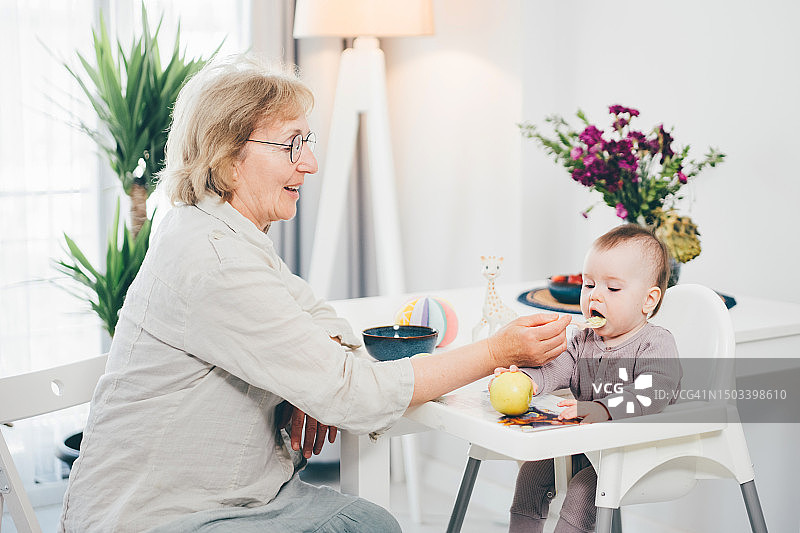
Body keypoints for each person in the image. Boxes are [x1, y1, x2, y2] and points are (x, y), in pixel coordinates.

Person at [58, 54, 573, 533]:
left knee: (371, 522)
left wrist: (306, 384)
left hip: (230, 496)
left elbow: (325, 324)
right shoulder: (215, 260)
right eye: (292, 145)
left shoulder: (219, 233)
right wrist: (497, 352)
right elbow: (356, 395)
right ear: (228, 155)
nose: (310, 164)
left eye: (307, 143)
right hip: (162, 516)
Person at [501, 224, 682, 533]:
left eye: (612, 289)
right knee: (532, 472)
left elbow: (655, 390)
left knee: (585, 490)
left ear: (648, 300)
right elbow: (557, 369)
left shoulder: (656, 343)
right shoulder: (582, 340)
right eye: (588, 285)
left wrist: (604, 408)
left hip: (636, 452)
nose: (595, 296)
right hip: (586, 444)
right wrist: (527, 381)